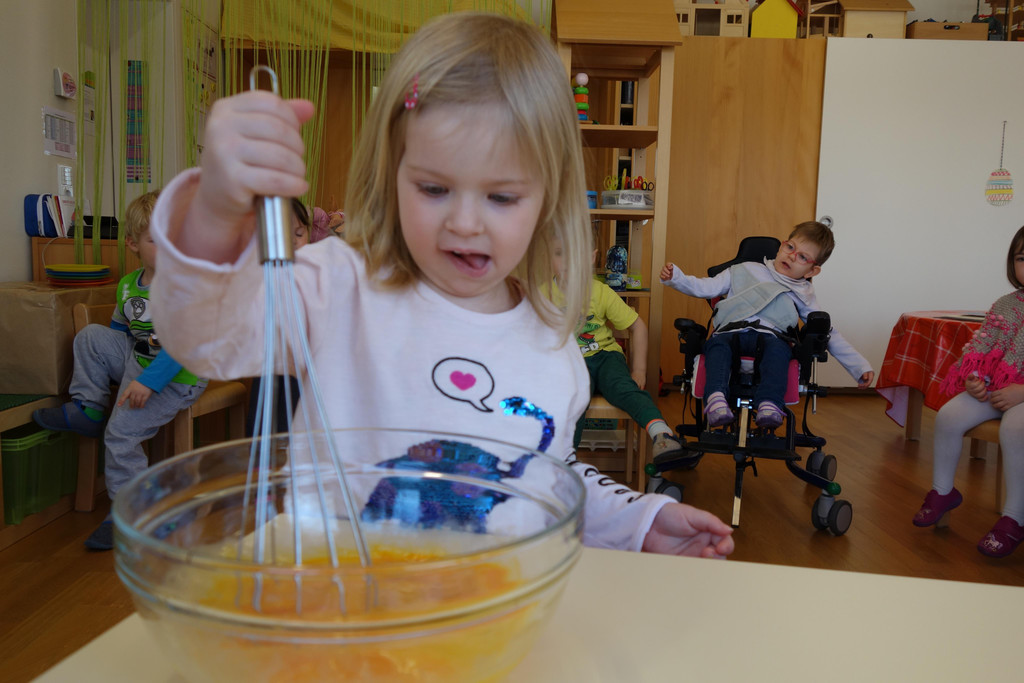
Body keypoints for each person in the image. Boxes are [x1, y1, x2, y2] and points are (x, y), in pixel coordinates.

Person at [147, 13, 733, 558]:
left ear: (548, 201)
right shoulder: (338, 286)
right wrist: (214, 214)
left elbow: (543, 479)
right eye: (433, 189)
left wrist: (638, 521)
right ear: (392, 174)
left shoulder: (552, 344)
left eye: (501, 196)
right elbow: (201, 338)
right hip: (342, 607)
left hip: (488, 614)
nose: (465, 222)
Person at [33, 190, 207, 550]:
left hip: (178, 377)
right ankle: (89, 409)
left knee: (120, 435)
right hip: (140, 360)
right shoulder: (128, 286)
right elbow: (120, 332)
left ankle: (129, 512)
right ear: (133, 244)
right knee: (91, 337)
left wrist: (146, 382)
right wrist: (122, 370)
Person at [660, 221, 874, 430]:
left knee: (780, 353)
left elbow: (825, 331)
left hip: (772, 338)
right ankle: (716, 400)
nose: (792, 256)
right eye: (790, 247)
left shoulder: (803, 293)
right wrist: (676, 278)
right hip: (730, 331)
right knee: (717, 347)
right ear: (781, 246)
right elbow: (705, 287)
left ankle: (769, 405)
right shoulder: (742, 270)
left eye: (802, 257)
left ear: (811, 271)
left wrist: (858, 366)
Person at [913, 225, 1024, 558]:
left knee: (1015, 427)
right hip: (998, 389)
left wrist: (1021, 392)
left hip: (1021, 396)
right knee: (949, 415)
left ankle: (1015, 517)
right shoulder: (1005, 305)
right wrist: (975, 378)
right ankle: (943, 491)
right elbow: (981, 348)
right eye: (1022, 258)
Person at [550, 238, 684, 460]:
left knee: (623, 388)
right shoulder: (542, 295)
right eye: (559, 253)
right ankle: (564, 461)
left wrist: (639, 370)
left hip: (606, 357)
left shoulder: (600, 291)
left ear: (591, 258)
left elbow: (638, 326)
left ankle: (662, 433)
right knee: (573, 398)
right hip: (570, 363)